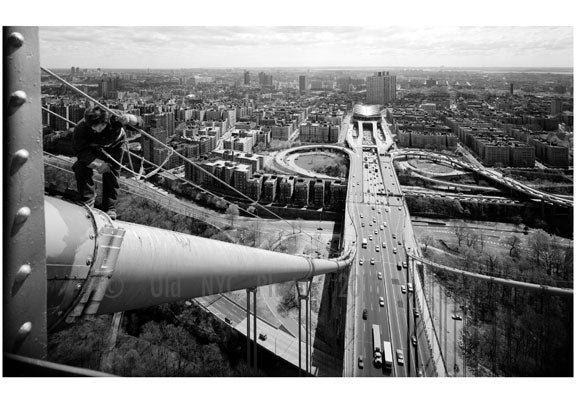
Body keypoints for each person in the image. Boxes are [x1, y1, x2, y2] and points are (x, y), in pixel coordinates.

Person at [72, 105, 141, 219]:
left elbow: (140, 124)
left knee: (112, 173)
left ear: (106, 121)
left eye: (101, 126)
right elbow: (79, 150)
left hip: (115, 145)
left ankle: (109, 207)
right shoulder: (81, 127)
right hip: (94, 148)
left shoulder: (114, 116)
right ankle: (87, 199)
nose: (98, 129)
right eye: (95, 127)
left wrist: (130, 118)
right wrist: (95, 163)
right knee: (81, 165)